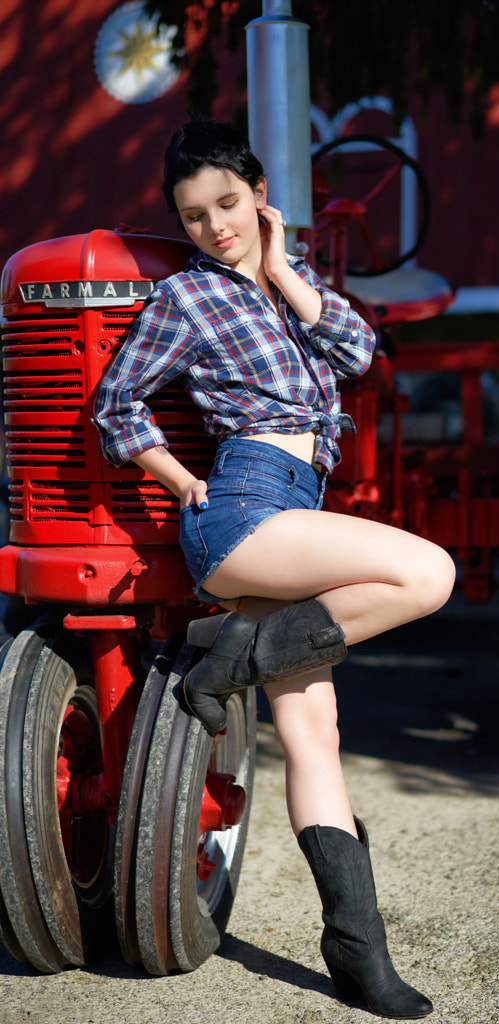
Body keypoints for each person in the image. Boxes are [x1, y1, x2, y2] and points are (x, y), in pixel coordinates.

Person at [94, 117, 455, 1019]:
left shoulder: (295, 293)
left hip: (294, 502)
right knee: (429, 573)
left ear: (257, 194)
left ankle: (356, 955)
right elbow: (116, 401)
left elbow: (362, 353)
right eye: (193, 215)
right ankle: (231, 656)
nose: (215, 226)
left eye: (227, 202)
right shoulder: (186, 299)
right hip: (246, 508)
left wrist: (284, 267)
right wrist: (182, 481)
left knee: (314, 735)